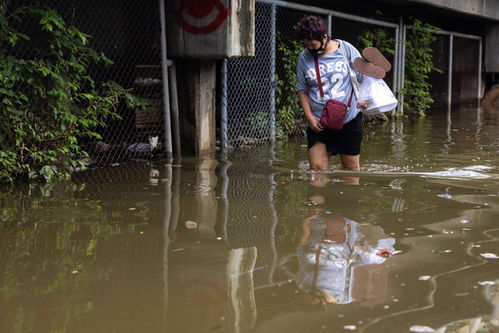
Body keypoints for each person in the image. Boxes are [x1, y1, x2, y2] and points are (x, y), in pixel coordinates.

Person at [295, 15, 363, 171]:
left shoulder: (346, 49)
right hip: (319, 122)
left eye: (313, 44)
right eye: (306, 45)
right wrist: (310, 118)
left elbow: (363, 77)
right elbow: (302, 89)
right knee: (317, 172)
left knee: (351, 172)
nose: (310, 48)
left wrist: (364, 99)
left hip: (349, 119)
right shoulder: (304, 57)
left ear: (325, 37)